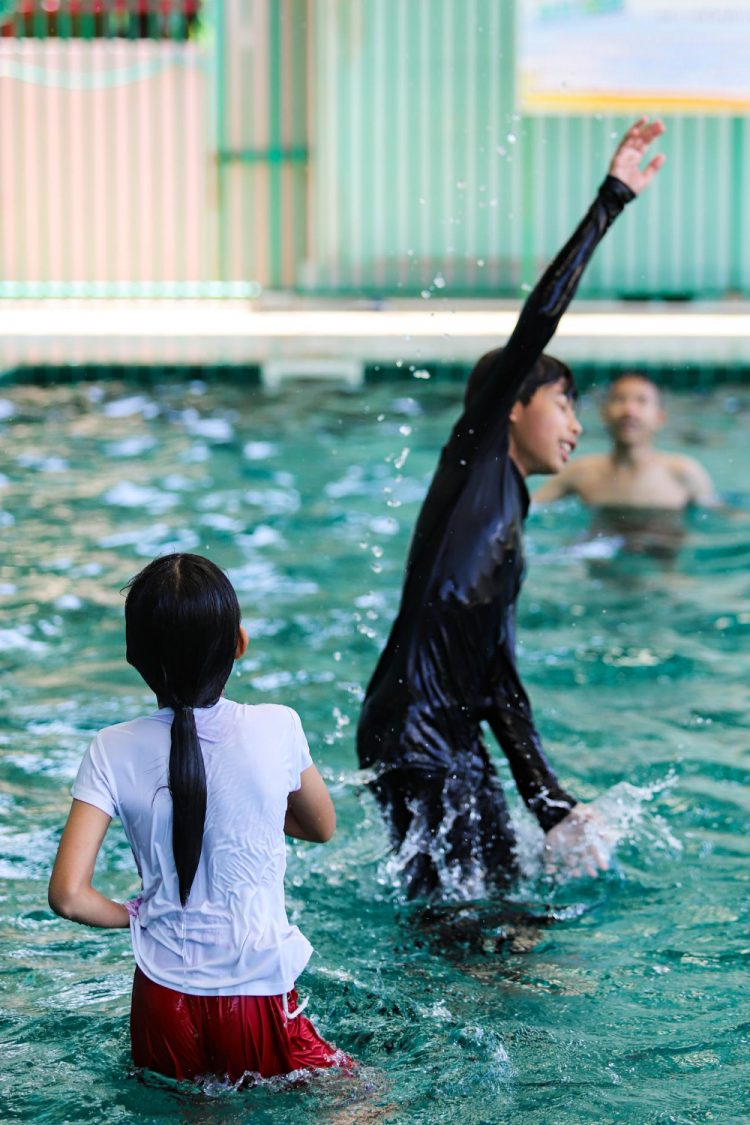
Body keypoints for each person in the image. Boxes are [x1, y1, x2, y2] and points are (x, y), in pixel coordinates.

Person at [356, 118, 666, 900]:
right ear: (514, 405)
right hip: (415, 735)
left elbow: (497, 678)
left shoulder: (507, 523)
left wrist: (552, 804)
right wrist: (611, 200)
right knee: (471, 929)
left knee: (509, 909)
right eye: (564, 403)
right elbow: (539, 320)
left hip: (447, 734)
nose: (575, 424)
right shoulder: (475, 462)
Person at [49, 552, 350, 1085]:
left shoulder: (109, 749)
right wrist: (245, 810)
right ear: (239, 643)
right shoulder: (278, 727)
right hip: (257, 992)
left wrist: (136, 915)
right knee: (364, 1099)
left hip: (160, 999)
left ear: (133, 655)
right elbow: (320, 827)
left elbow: (69, 896)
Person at [533, 372, 718, 508]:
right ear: (604, 413)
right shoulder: (581, 473)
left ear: (659, 417)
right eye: (619, 399)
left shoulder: (683, 473)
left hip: (662, 556)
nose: (629, 410)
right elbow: (530, 506)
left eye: (641, 401)